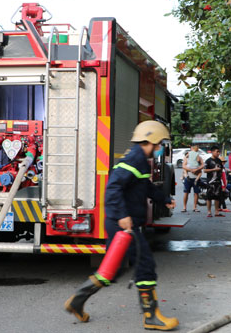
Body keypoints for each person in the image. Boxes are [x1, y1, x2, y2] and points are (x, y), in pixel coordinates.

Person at [64, 120, 178, 330]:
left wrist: (164, 198)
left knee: (112, 271)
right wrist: (122, 215)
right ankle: (151, 316)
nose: (160, 147)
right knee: (145, 266)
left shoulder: (140, 160)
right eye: (159, 142)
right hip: (125, 225)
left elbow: (144, 186)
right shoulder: (135, 158)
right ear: (151, 140)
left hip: (123, 223)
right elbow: (113, 188)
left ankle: (77, 302)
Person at [204, 146, 225, 218]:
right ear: (212, 152)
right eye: (217, 151)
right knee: (209, 197)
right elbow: (205, 170)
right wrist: (214, 170)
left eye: (219, 152)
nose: (218, 153)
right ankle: (209, 212)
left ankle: (217, 211)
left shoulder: (219, 160)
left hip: (218, 181)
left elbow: (221, 169)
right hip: (210, 182)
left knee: (217, 197)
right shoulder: (208, 161)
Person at [181, 145, 204, 213]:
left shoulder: (198, 156)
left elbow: (203, 164)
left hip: (196, 178)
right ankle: (184, 207)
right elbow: (183, 166)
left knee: (196, 193)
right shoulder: (187, 157)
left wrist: (197, 169)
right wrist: (191, 170)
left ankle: (195, 207)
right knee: (186, 193)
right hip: (188, 178)